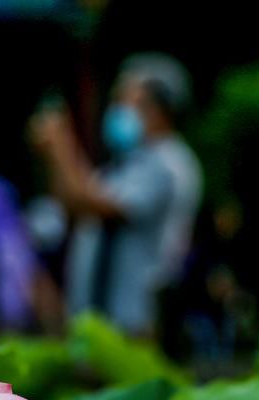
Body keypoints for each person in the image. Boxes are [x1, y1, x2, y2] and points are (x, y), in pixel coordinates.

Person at [32, 53, 201, 337]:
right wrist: (53, 155)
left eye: (125, 101)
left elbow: (92, 202)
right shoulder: (124, 165)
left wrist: (61, 144)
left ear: (158, 110)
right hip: (98, 318)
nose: (115, 111)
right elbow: (72, 205)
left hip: (136, 321)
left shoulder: (168, 164)